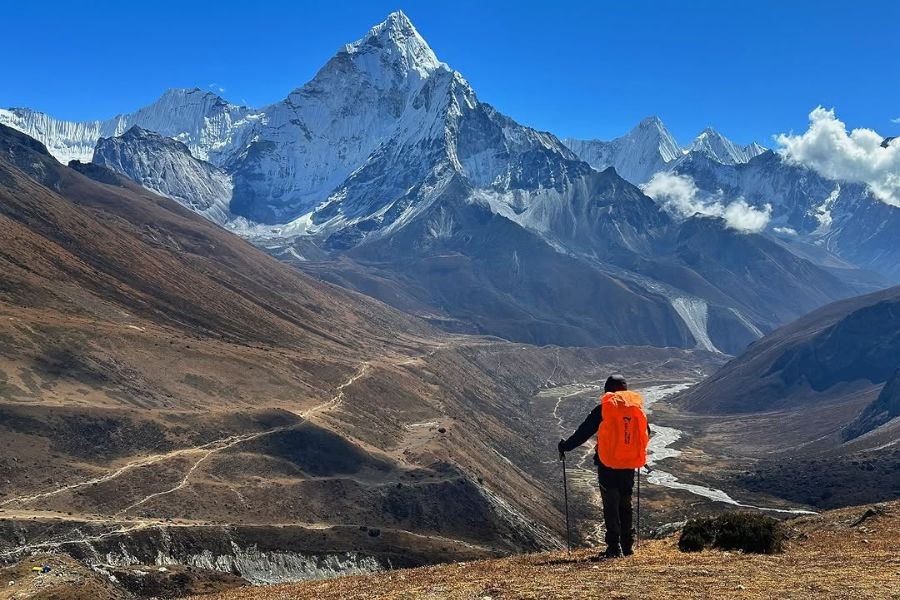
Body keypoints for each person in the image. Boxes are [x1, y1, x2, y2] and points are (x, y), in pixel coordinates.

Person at [557, 374, 649, 559]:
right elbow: (645, 433)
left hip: (608, 465)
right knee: (625, 503)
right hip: (629, 464)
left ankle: (614, 547)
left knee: (611, 504)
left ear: (607, 390)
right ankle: (628, 545)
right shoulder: (635, 409)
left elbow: (584, 432)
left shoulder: (605, 409)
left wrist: (565, 446)